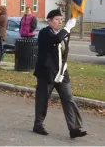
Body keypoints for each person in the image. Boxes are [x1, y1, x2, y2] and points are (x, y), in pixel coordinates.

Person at [33, 9, 86, 139]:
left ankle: (74, 128)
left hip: (62, 72)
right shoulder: (45, 33)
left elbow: (62, 49)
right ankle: (38, 124)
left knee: (69, 99)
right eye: (57, 19)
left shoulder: (61, 34)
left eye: (61, 20)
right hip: (47, 72)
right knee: (43, 99)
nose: (60, 22)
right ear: (49, 21)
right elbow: (56, 39)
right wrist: (68, 27)